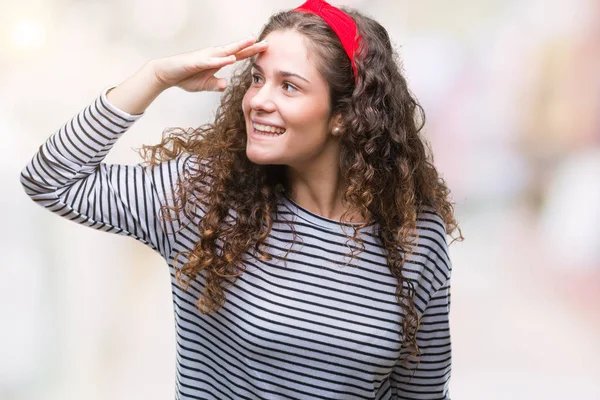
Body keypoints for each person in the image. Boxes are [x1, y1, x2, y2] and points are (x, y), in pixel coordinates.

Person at [20, 0, 463, 398]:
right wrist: (154, 77)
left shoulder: (414, 235)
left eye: (289, 86)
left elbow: (420, 391)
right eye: (256, 79)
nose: (258, 100)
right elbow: (50, 179)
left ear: (344, 116)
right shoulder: (205, 199)